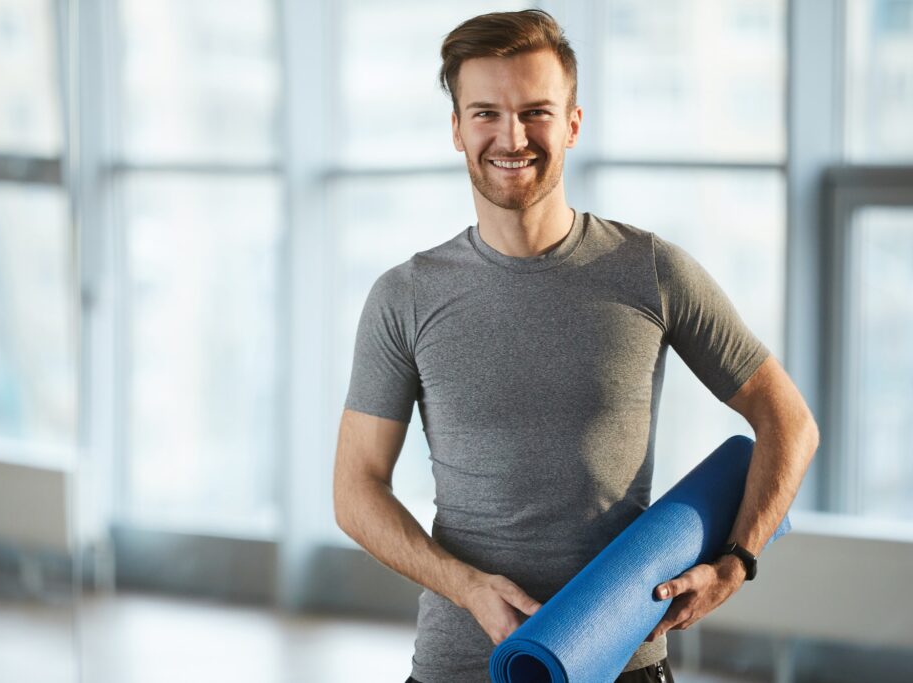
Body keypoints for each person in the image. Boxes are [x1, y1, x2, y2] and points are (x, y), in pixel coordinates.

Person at [332, 9, 819, 683]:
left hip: (623, 660)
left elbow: (788, 419)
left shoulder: (652, 271)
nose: (512, 136)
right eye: (485, 114)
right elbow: (355, 489)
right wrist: (467, 585)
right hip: (461, 665)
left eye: (535, 111)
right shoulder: (405, 296)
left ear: (572, 124)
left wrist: (737, 563)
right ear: (456, 129)